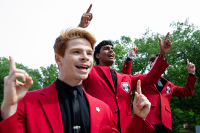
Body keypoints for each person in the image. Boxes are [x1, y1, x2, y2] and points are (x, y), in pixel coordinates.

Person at [0, 28, 155, 133]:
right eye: (76, 51)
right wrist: (9, 105)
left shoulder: (104, 110)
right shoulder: (27, 102)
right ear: (58, 59)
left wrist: (139, 119)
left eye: (89, 53)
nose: (85, 57)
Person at [78, 4, 172, 133]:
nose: (111, 50)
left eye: (112, 49)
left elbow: (151, 78)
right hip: (99, 126)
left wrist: (162, 55)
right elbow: (73, 57)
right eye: (106, 48)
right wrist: (81, 29)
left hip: (127, 128)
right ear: (97, 55)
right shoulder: (90, 71)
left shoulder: (126, 78)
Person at [122, 53, 197, 132]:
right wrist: (129, 58)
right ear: (151, 63)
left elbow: (187, 92)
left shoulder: (168, 84)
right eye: (159, 62)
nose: (161, 65)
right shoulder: (142, 79)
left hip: (166, 125)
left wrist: (191, 74)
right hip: (148, 122)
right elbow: (125, 79)